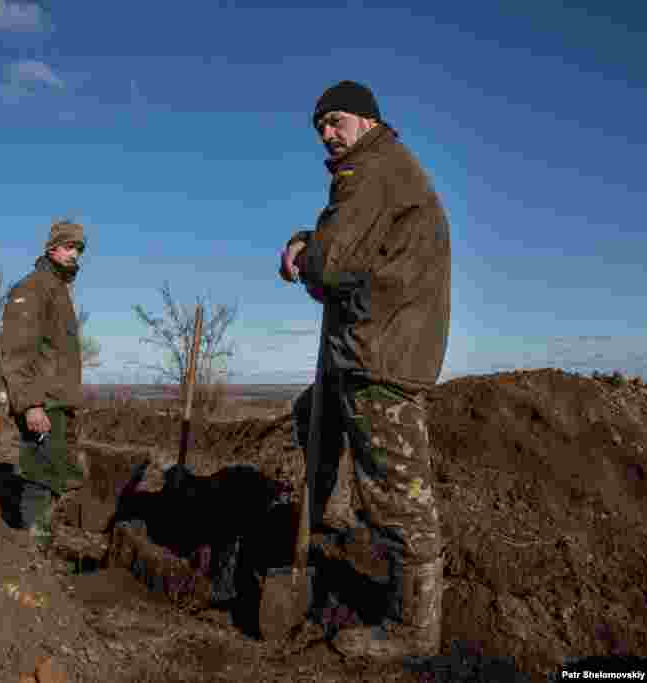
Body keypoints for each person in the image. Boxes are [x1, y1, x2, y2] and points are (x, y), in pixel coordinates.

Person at [278, 80, 451, 659]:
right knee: (314, 413)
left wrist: (304, 253)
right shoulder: (383, 169)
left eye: (337, 120)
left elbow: (332, 263)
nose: (327, 133)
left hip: (381, 349)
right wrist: (312, 243)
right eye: (320, 125)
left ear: (368, 122)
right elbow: (349, 249)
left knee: (401, 492)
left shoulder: (369, 172)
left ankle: (412, 631)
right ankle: (333, 512)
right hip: (379, 340)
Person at [1, 220, 88, 548]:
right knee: (40, 478)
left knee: (54, 479)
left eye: (79, 249)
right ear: (51, 248)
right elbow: (17, 351)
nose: (75, 254)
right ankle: (33, 560)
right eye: (69, 247)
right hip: (43, 403)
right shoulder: (34, 288)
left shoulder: (57, 290)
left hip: (58, 403)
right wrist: (30, 404)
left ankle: (43, 557)